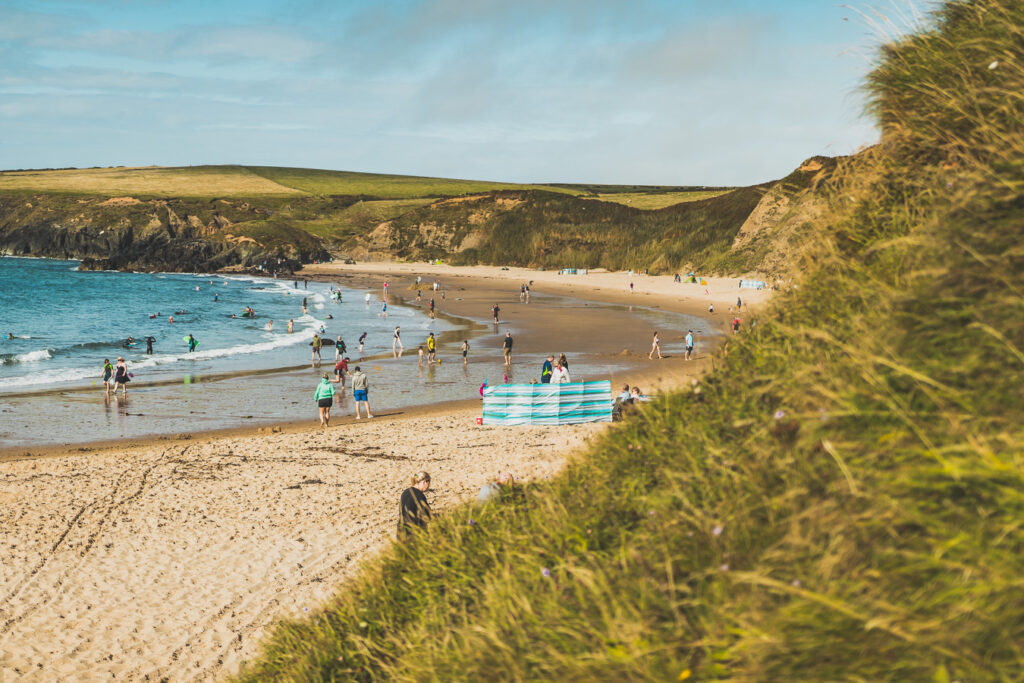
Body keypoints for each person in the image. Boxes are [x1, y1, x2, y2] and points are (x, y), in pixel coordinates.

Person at [399, 472, 431, 537]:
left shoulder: (405, 492)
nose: (428, 487)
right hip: (415, 531)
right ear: (424, 482)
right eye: (428, 483)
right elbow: (427, 515)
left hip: (401, 530)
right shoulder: (419, 495)